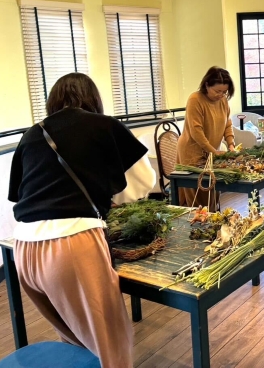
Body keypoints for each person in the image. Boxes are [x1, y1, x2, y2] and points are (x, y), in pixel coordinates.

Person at [8, 73, 156, 368]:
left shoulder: (33, 134)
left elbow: (20, 194)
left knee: (74, 339)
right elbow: (143, 183)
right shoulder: (104, 126)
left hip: (24, 249)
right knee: (110, 343)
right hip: (71, 244)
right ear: (93, 99)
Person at [177, 66, 235, 209]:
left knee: (212, 190)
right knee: (197, 194)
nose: (221, 95)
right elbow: (196, 131)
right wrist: (213, 151)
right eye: (217, 91)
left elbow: (227, 124)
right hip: (192, 153)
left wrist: (231, 145)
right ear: (207, 85)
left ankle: (212, 219)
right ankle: (199, 221)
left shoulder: (223, 100)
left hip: (211, 152)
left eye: (224, 92)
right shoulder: (195, 99)